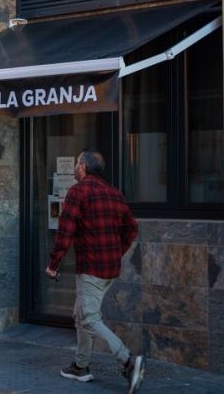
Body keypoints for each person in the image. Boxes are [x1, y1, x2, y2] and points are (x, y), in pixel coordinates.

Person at [46, 149, 144, 392]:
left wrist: (53, 265)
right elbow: (131, 228)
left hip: (91, 268)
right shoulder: (114, 193)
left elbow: (64, 232)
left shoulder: (78, 192)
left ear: (83, 167)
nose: (75, 168)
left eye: (77, 163)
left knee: (89, 317)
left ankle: (129, 361)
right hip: (110, 268)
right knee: (81, 314)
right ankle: (80, 366)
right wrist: (116, 251)